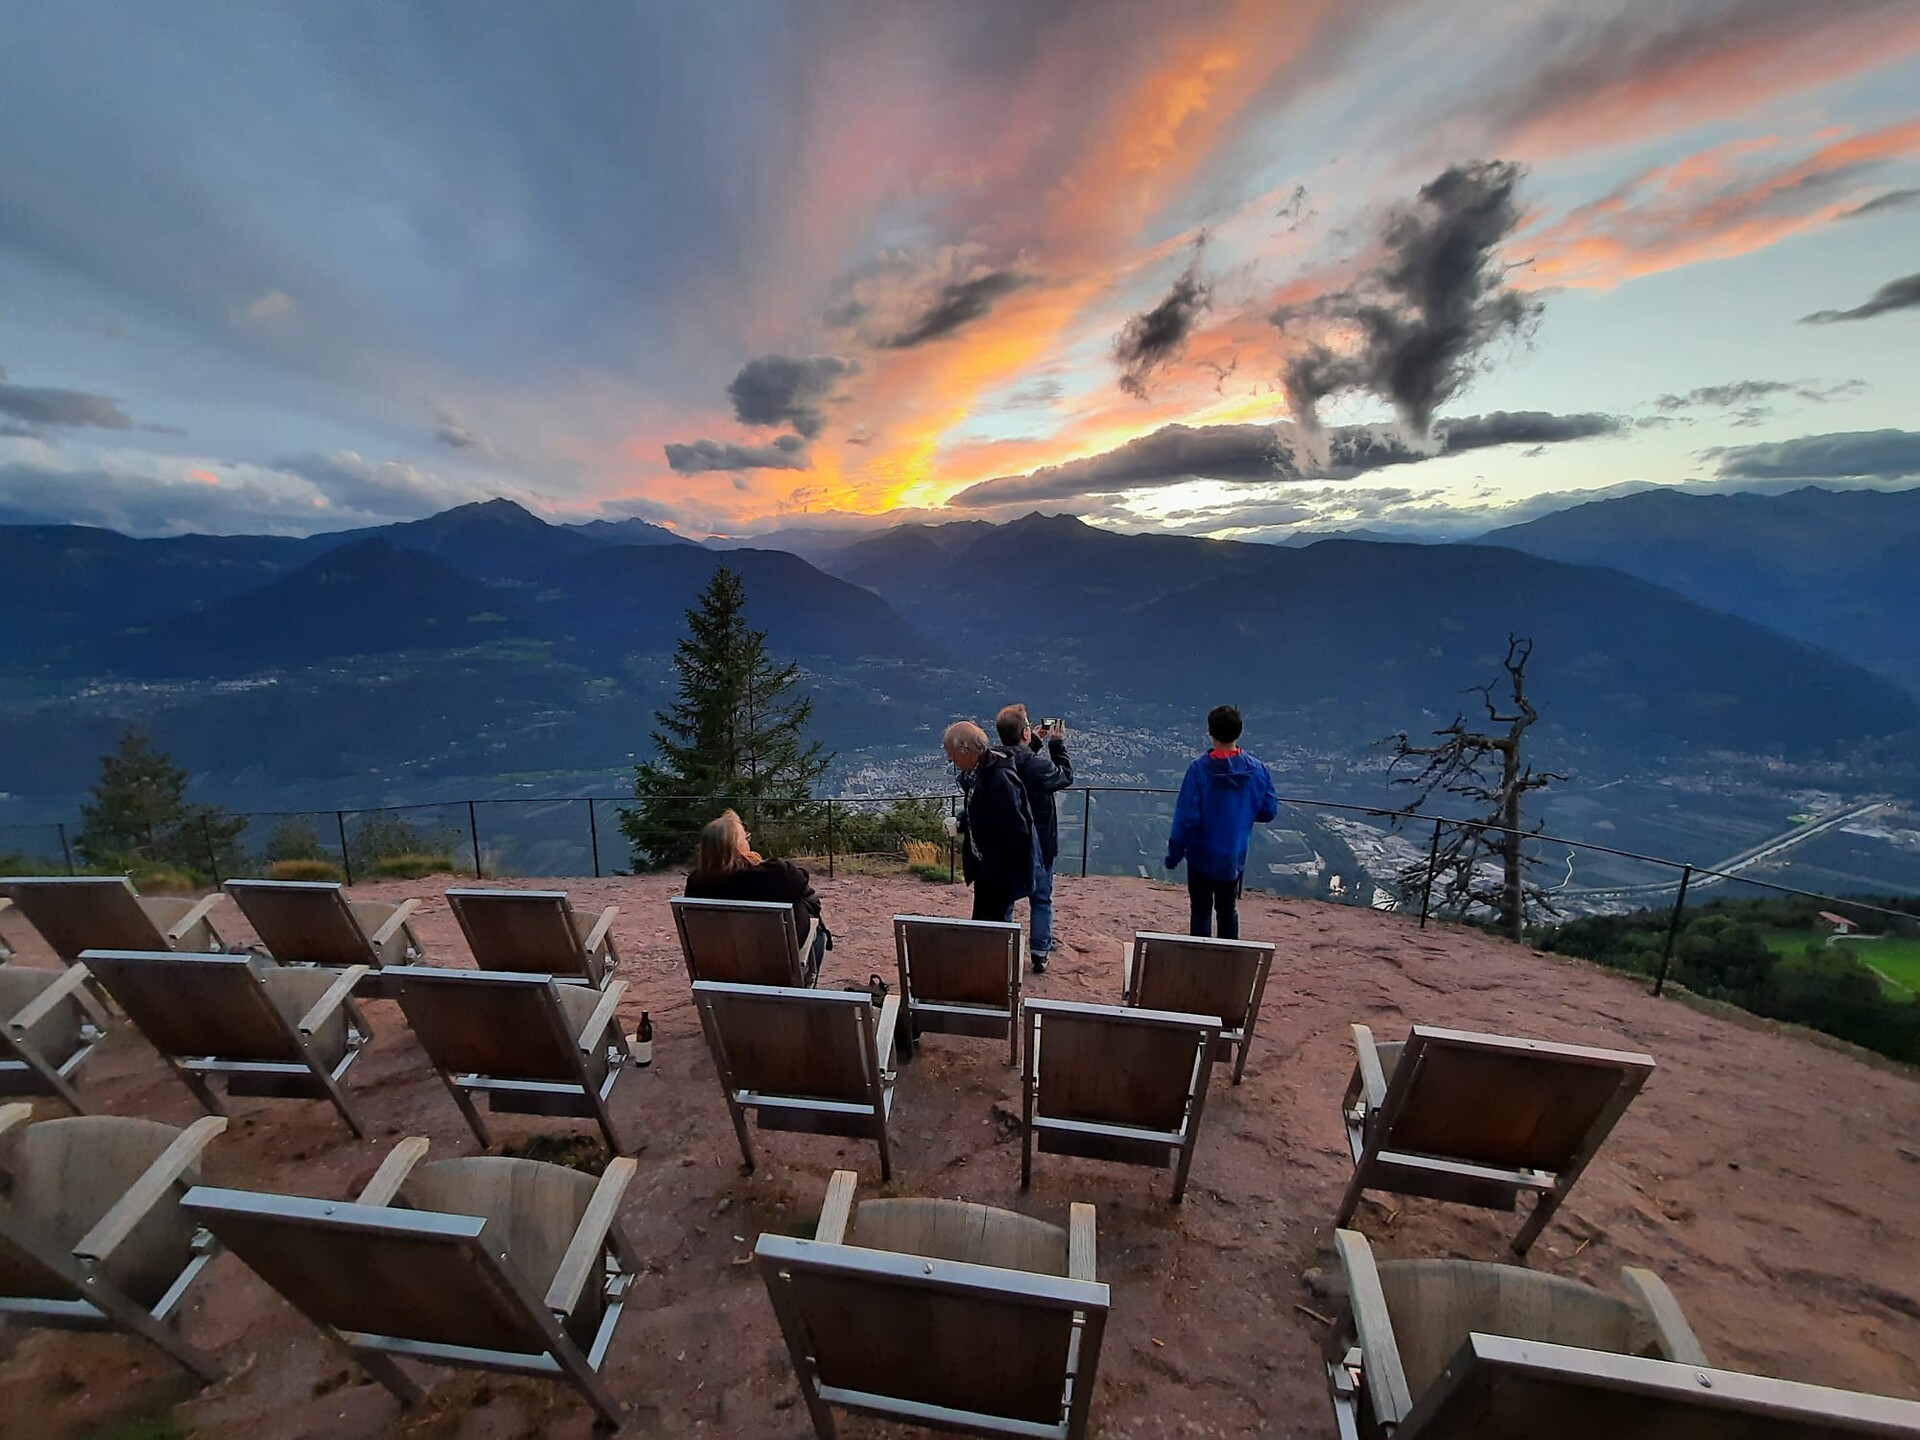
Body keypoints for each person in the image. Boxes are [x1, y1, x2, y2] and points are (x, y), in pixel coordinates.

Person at [1163, 704, 1278, 939]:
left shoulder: (1198, 770)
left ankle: (1201, 963)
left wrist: (1174, 854)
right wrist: (1242, 812)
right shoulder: (1258, 770)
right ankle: (1228, 963)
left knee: (1201, 911)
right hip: (1234, 857)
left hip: (1201, 857)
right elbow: (1268, 811)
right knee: (1227, 911)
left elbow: (1187, 820)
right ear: (1239, 732)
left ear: (1210, 732)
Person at [685, 808, 828, 983]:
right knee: (819, 932)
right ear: (738, 847)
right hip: (775, 962)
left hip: (726, 963)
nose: (748, 842)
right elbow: (802, 883)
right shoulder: (777, 873)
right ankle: (802, 987)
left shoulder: (696, 883)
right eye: (745, 838)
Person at [995, 703, 1072, 971]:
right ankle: (1040, 951)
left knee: (1005, 899)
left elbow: (1018, 761)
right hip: (1040, 841)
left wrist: (1034, 742)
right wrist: (1057, 745)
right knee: (1041, 898)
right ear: (1025, 733)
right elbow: (1065, 777)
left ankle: (1002, 951)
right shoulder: (1037, 766)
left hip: (1006, 844)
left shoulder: (995, 760)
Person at [944, 720, 1037, 926]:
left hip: (998, 873)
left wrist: (997, 867)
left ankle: (994, 958)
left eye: (951, 752)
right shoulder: (979, 771)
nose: (950, 758)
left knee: (992, 925)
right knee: (982, 922)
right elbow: (981, 811)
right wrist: (961, 822)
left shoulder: (999, 777)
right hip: (985, 868)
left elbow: (1017, 828)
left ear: (965, 750)